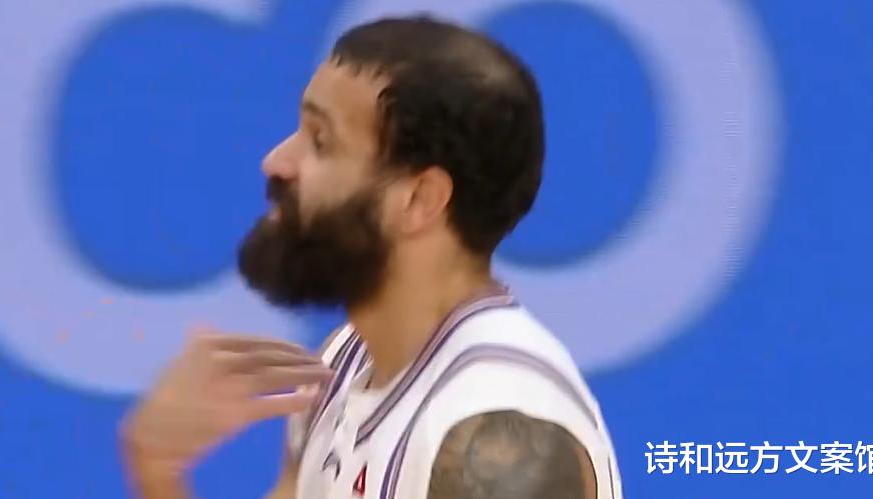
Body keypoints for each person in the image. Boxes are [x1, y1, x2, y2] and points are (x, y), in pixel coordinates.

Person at [120, 15, 622, 499]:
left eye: (320, 141)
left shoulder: (497, 435)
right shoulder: (346, 361)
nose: (276, 161)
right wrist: (157, 465)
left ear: (418, 200)